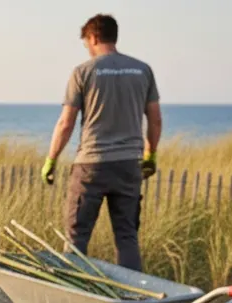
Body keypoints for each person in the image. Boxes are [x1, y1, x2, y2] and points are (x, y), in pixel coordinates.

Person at [41, 13, 162, 272]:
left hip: (91, 166)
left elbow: (66, 123)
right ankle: (132, 299)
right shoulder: (143, 70)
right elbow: (155, 119)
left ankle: (73, 293)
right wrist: (150, 155)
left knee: (77, 237)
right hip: (129, 164)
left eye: (86, 43)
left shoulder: (83, 72)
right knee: (127, 236)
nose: (87, 48)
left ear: (94, 37)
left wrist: (51, 159)